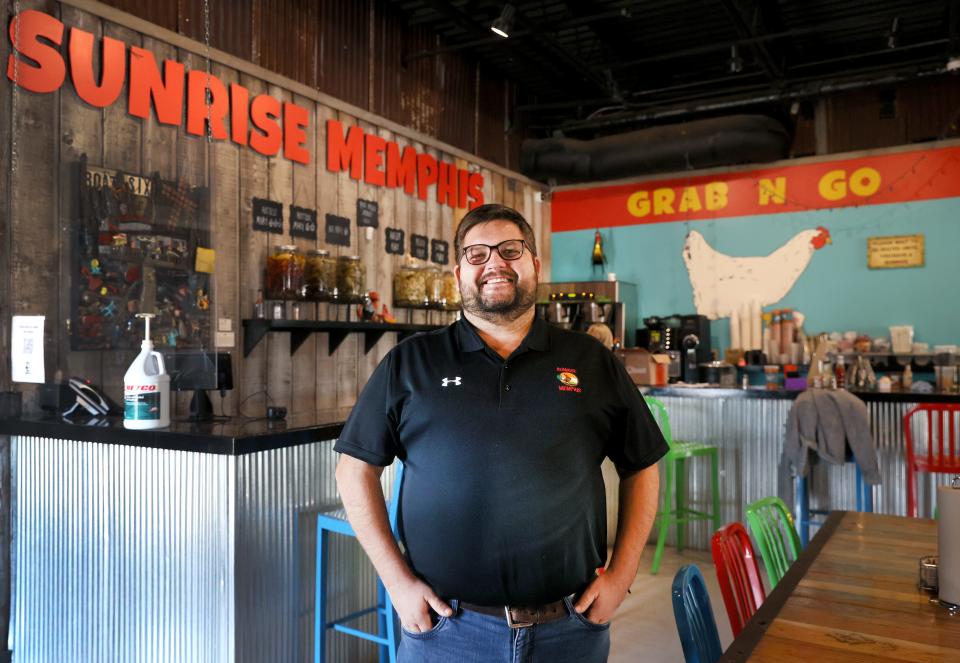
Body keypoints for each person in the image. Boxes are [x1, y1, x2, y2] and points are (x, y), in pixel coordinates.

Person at [334, 204, 667, 663]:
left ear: (534, 264)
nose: (494, 264)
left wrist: (622, 574)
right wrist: (396, 581)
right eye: (477, 254)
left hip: (569, 628)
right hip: (446, 631)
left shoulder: (590, 360)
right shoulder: (411, 363)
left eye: (510, 250)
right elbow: (354, 470)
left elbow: (642, 465)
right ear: (458, 273)